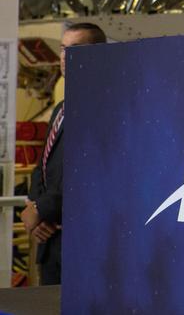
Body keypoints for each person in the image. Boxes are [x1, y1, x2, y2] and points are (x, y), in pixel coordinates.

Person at [22, 21, 107, 285]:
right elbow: (43, 165)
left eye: (75, 48)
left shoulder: (105, 106)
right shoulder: (61, 108)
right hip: (51, 241)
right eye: (63, 48)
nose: (65, 57)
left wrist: (41, 209)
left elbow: (86, 174)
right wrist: (36, 208)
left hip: (83, 244)